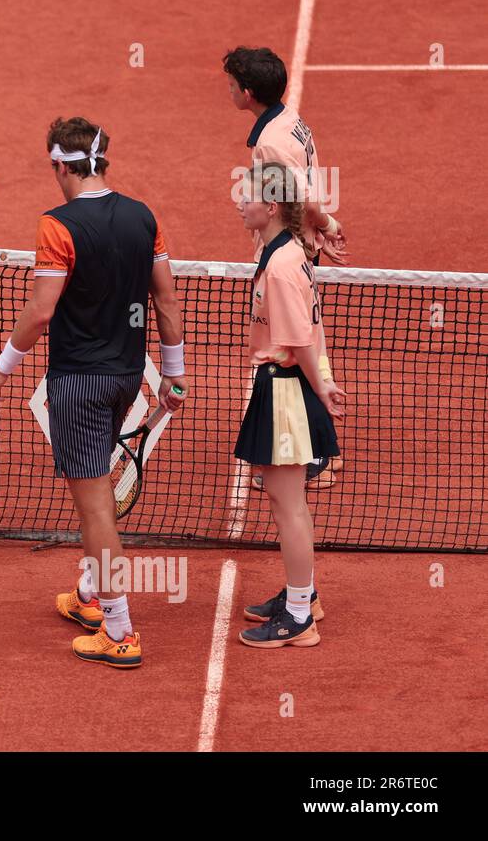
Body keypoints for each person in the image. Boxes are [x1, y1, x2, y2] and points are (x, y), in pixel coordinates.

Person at [0, 117, 186, 669]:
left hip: (79, 383)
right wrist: (173, 373)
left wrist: (2, 367)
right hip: (127, 377)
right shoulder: (144, 217)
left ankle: (118, 631)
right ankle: (91, 598)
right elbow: (165, 302)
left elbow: (42, 310)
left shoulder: (57, 226)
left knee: (95, 510)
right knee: (97, 501)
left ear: (58, 166)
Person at [234, 163, 346, 648]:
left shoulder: (281, 265)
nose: (240, 203)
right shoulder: (286, 251)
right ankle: (304, 596)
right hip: (288, 386)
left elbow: (300, 341)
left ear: (272, 207)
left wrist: (320, 389)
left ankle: (299, 616)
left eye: (248, 197)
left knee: (288, 506)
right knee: (286, 503)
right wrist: (321, 382)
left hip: (285, 389)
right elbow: (311, 336)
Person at [225, 45, 344, 488]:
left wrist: (325, 225)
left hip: (286, 247)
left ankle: (311, 453)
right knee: (306, 339)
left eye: (233, 85)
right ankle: (315, 446)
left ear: (249, 91)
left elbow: (295, 196)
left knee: (287, 351)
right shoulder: (285, 117)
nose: (229, 90)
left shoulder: (272, 141)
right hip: (297, 243)